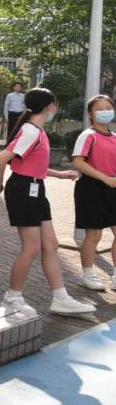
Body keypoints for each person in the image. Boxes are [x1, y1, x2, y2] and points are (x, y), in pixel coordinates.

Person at [0, 88, 95, 316]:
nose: (55, 108)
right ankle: (12, 298)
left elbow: (32, 166)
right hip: (23, 190)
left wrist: (60, 174)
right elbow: (0, 161)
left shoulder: (36, 130)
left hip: (35, 188)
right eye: (54, 104)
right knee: (31, 248)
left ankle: (61, 299)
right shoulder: (30, 131)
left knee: (51, 245)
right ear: (50, 106)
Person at [70, 94, 116, 290]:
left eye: (109, 108)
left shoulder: (114, 137)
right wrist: (105, 178)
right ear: (90, 114)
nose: (105, 111)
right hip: (91, 188)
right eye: (100, 109)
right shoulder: (88, 135)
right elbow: (78, 162)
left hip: (112, 188)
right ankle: (87, 274)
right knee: (94, 235)